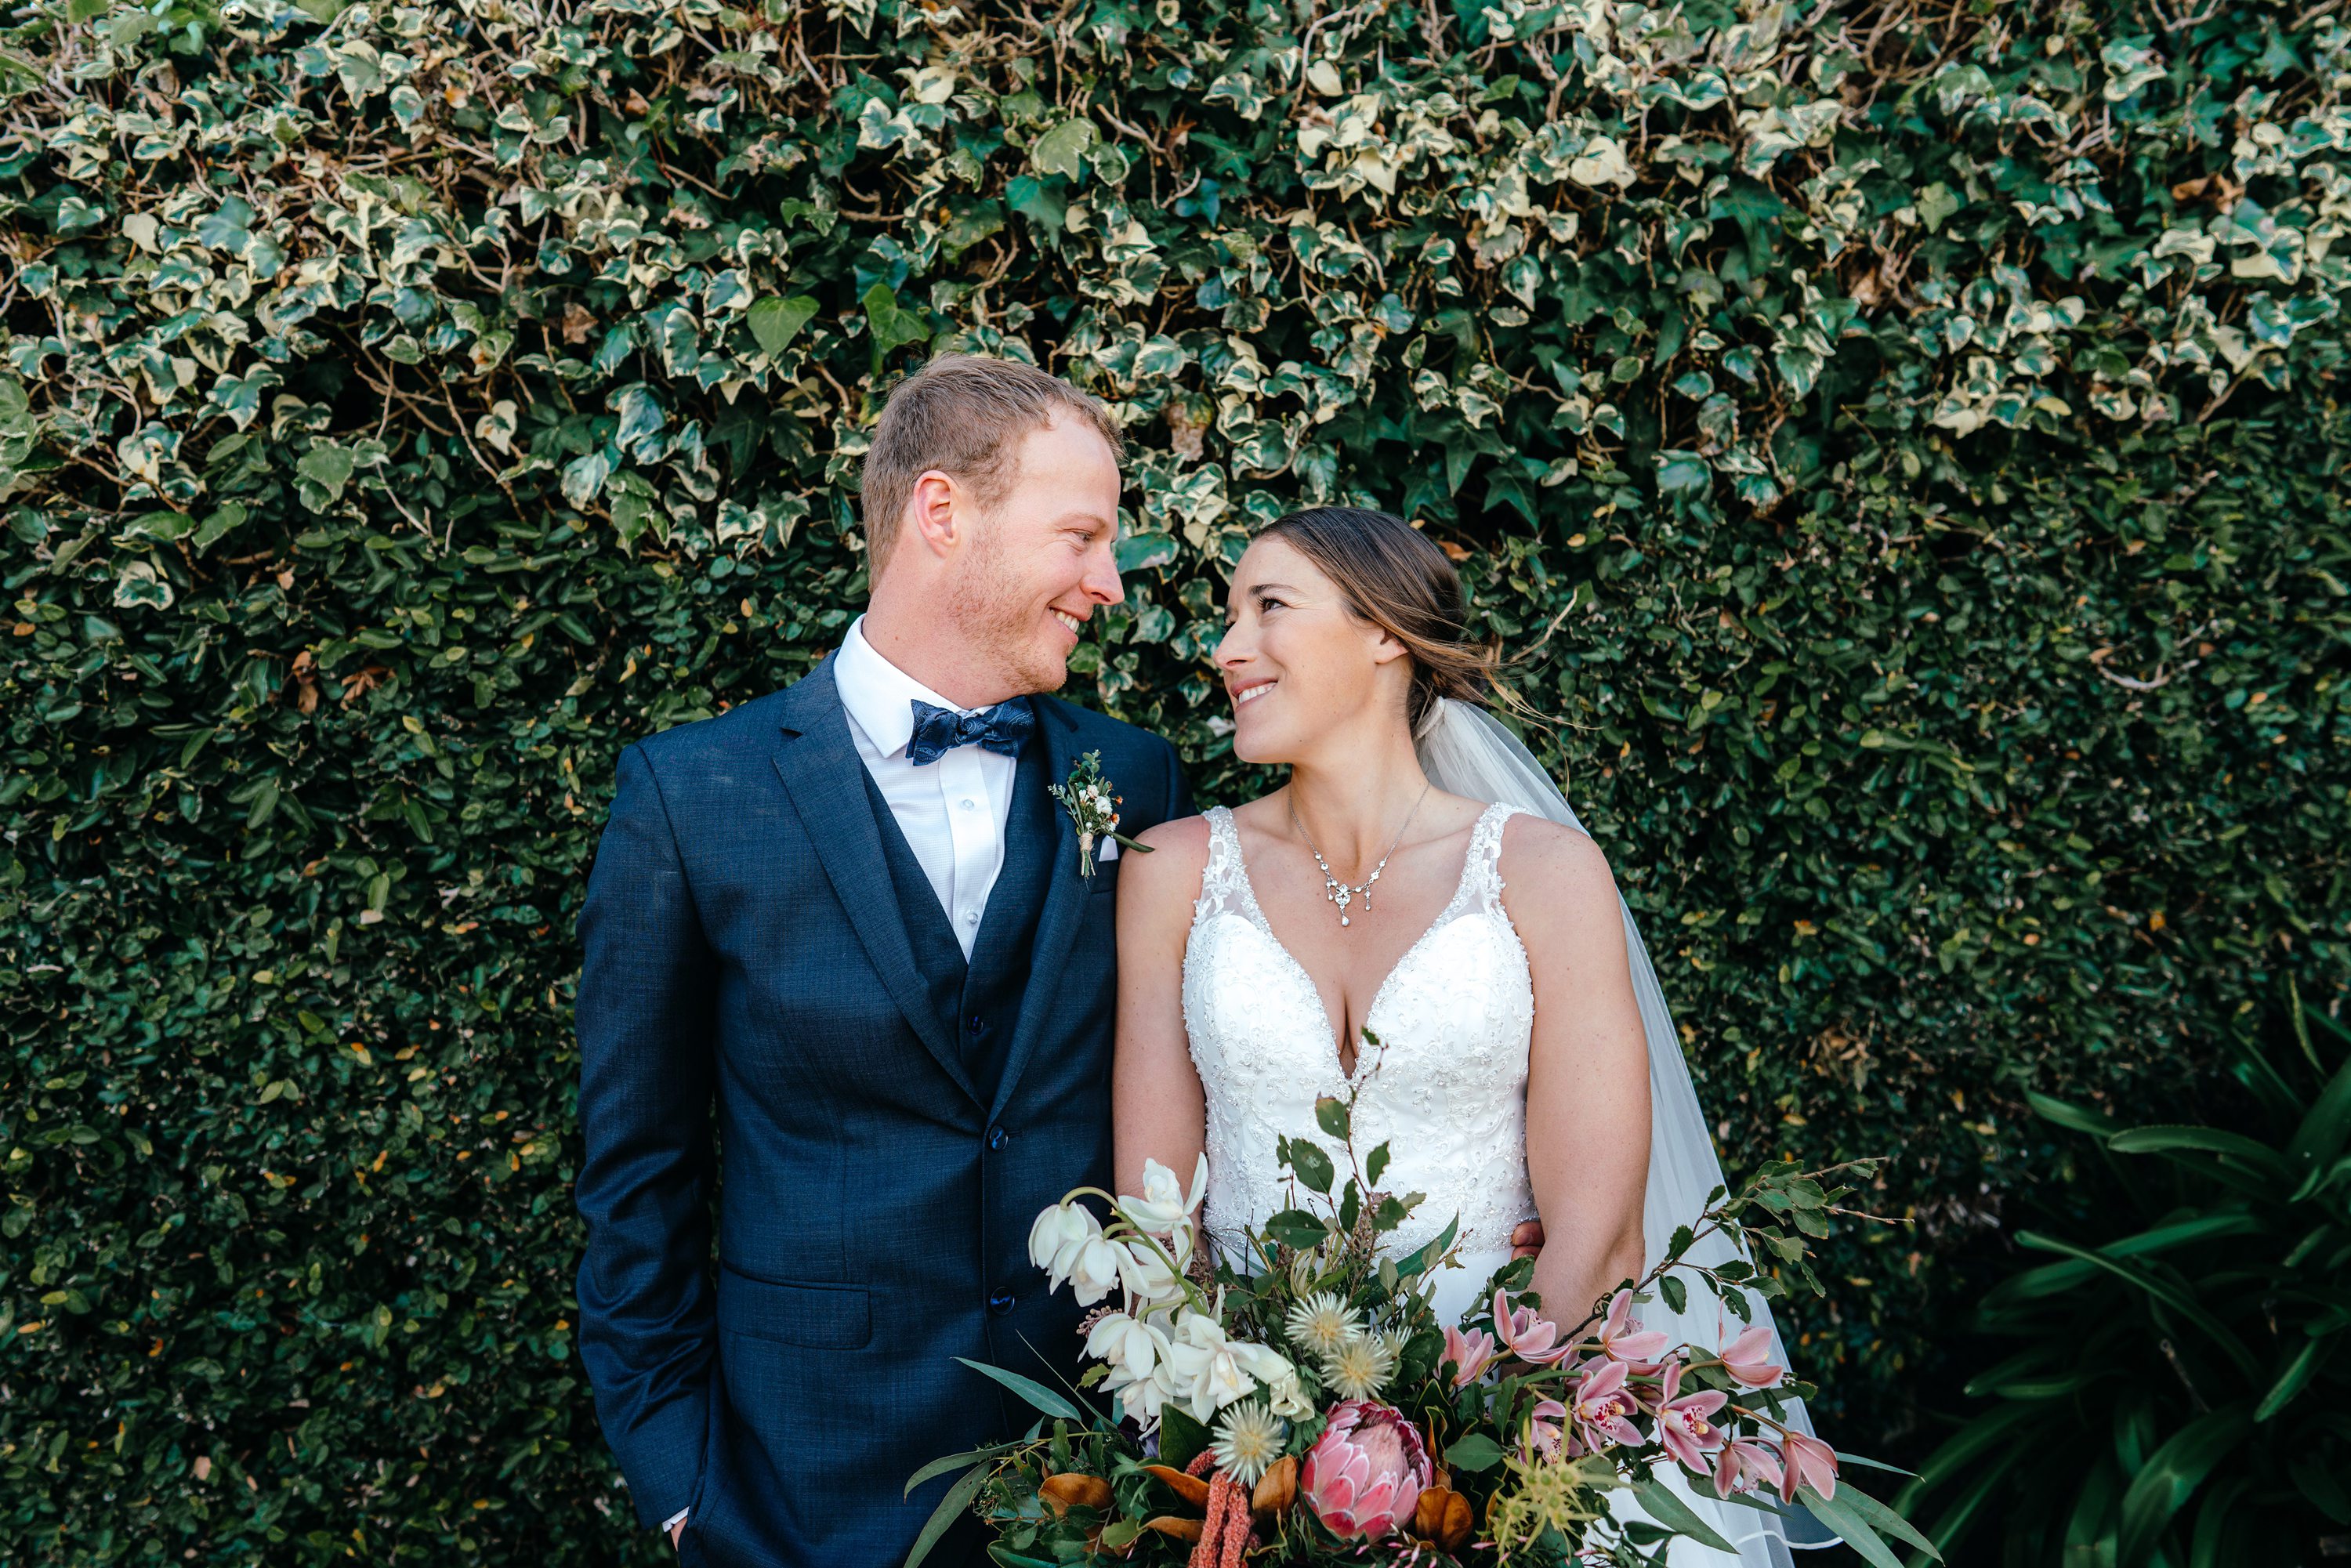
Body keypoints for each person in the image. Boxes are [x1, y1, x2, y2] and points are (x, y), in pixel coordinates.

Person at [1111, 505, 1831, 1566]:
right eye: (1229, 616)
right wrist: (1264, 1468)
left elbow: (1600, 1235)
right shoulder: (1169, 869)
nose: (1226, 649)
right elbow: (1158, 1221)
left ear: (1384, 633)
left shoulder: (1544, 873)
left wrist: (1456, 1465)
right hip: (1256, 1479)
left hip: (1517, 1460)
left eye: (1268, 608)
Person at [572, 355, 1192, 1566]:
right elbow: (635, 1175)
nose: (1109, 583)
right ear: (943, 512)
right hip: (795, 1497)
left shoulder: (1137, 777)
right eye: (1081, 535)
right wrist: (682, 1481)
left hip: (1092, 1500)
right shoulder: (690, 795)